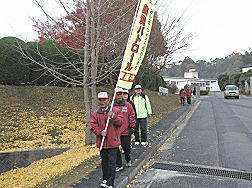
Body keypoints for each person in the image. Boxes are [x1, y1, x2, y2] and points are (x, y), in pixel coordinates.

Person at [90, 92, 123, 188]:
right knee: (104, 162)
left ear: (108, 100)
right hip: (102, 143)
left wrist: (113, 116)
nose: (102, 101)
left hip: (113, 142)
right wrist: (100, 132)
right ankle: (105, 179)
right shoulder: (95, 113)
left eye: (104, 99)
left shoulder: (115, 111)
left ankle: (110, 182)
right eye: (100, 99)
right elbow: (93, 125)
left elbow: (120, 122)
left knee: (112, 163)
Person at [113, 88, 136, 172]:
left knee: (126, 148)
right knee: (115, 149)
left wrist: (132, 127)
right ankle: (119, 165)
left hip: (125, 131)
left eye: (120, 94)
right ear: (115, 95)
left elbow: (132, 116)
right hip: (115, 132)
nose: (119, 96)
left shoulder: (128, 105)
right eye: (117, 94)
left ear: (123, 95)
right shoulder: (112, 105)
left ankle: (128, 159)